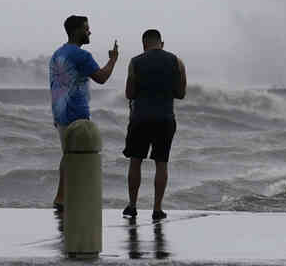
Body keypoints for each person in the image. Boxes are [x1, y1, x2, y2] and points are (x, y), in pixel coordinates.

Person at [49, 15, 118, 212]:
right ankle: (68, 198)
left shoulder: (58, 54)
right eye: (86, 28)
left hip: (60, 112)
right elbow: (102, 78)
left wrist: (55, 113)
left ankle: (61, 197)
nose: (89, 32)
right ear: (76, 31)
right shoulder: (81, 55)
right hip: (76, 113)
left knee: (68, 156)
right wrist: (113, 60)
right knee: (79, 157)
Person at [122, 29, 186, 220]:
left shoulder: (135, 62)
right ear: (162, 43)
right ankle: (157, 209)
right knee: (161, 164)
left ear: (144, 44)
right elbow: (181, 93)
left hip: (140, 118)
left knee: (135, 162)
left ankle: (132, 206)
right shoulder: (177, 62)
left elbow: (129, 93)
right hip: (165, 118)